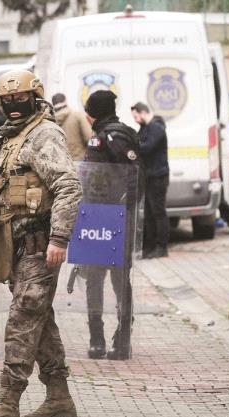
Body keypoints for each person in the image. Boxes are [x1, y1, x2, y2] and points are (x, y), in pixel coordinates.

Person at [0, 70, 81, 417]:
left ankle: (7, 399)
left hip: (39, 244)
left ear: (35, 97)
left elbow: (68, 186)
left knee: (23, 316)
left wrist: (59, 238)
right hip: (11, 246)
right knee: (39, 320)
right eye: (7, 101)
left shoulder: (44, 134)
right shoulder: (8, 138)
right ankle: (59, 399)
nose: (13, 106)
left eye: (20, 99)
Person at [81, 90, 141, 360]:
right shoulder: (117, 133)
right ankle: (98, 337)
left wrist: (122, 207)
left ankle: (120, 338)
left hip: (109, 216)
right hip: (100, 216)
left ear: (92, 114)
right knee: (100, 278)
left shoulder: (111, 137)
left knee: (111, 278)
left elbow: (134, 176)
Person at [131, 102, 169, 258]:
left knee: (158, 212)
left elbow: (146, 147)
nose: (135, 120)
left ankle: (162, 246)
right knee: (148, 213)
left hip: (157, 176)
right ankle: (150, 245)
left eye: (136, 116)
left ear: (143, 113)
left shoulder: (156, 128)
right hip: (148, 176)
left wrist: (132, 148)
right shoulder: (145, 128)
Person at [52, 93, 92, 161]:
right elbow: (89, 138)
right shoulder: (78, 116)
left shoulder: (51, 122)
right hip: (79, 162)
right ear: (65, 101)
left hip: (61, 163)